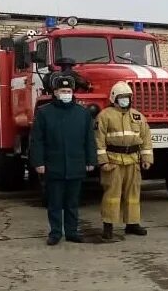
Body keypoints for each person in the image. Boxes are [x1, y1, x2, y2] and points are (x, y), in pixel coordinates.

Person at [29, 76, 97, 246]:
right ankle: (55, 233)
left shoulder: (82, 113)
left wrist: (91, 161)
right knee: (55, 203)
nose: (66, 94)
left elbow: (89, 139)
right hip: (54, 166)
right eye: (62, 91)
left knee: (73, 203)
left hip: (76, 165)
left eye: (68, 91)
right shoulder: (44, 113)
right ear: (55, 92)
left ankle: (72, 232)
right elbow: (37, 140)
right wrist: (39, 163)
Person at [94, 81, 152, 241]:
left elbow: (146, 139)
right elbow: (98, 140)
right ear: (114, 98)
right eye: (122, 97)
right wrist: (103, 161)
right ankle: (108, 225)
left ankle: (132, 223)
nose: (125, 100)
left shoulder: (138, 116)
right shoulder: (105, 116)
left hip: (133, 162)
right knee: (112, 195)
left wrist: (147, 158)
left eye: (127, 97)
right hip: (113, 162)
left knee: (133, 194)